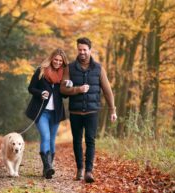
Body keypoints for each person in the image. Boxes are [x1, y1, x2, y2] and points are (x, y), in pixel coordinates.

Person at [60, 37, 117, 183]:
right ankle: (80, 169)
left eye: (85, 50)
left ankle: (89, 172)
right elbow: (63, 89)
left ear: (90, 50)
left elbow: (107, 90)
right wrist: (78, 89)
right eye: (80, 50)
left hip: (92, 112)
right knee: (77, 141)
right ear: (77, 50)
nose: (82, 52)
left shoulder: (98, 68)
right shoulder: (70, 68)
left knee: (91, 140)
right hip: (75, 112)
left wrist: (112, 110)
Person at [25, 48, 68, 179]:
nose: (58, 62)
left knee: (52, 140)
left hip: (55, 112)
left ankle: (47, 169)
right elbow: (31, 88)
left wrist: (68, 86)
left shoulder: (64, 74)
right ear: (51, 58)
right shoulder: (41, 70)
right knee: (46, 136)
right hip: (41, 111)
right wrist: (40, 93)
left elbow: (64, 95)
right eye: (56, 59)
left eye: (60, 61)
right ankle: (48, 167)